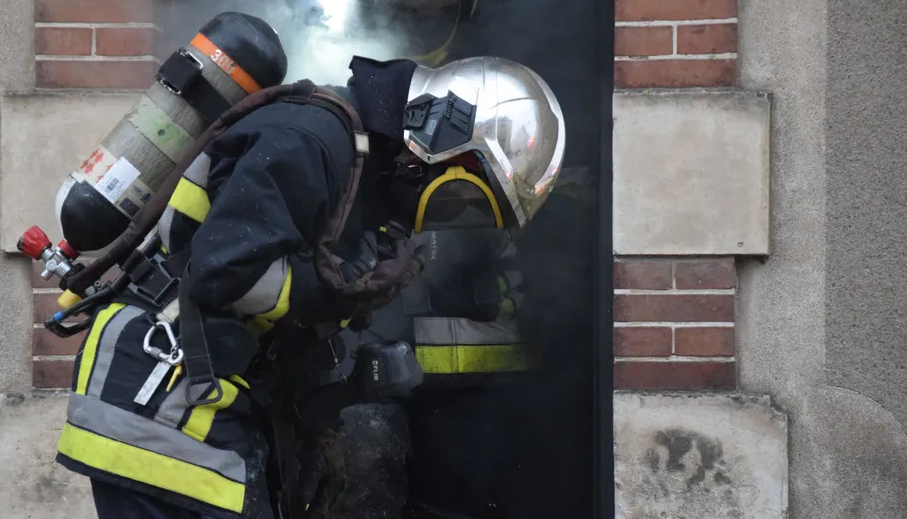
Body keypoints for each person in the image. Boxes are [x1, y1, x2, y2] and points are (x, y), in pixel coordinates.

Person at [51, 52, 564, 519]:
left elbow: (281, 324)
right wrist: (343, 289)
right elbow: (224, 273)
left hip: (204, 404)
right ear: (439, 134)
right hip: (157, 399)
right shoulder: (310, 139)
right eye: (462, 198)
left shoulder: (364, 172)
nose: (446, 215)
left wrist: (329, 411)